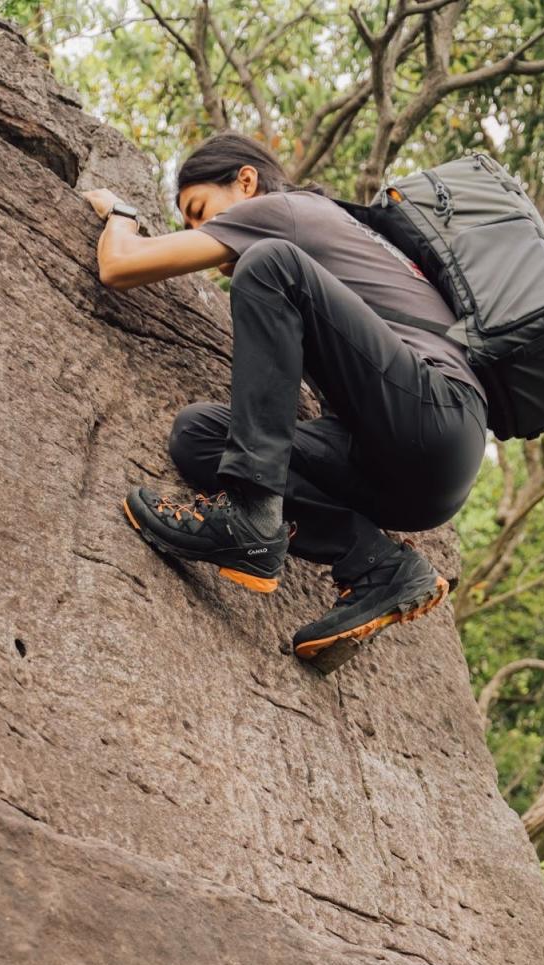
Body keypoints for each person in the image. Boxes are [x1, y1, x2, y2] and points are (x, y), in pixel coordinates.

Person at [83, 130, 488, 671]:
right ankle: (378, 565)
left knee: (269, 263)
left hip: (438, 414)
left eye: (199, 211)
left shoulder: (286, 210)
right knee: (201, 437)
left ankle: (252, 519)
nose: (199, 232)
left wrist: (121, 214)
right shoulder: (328, 225)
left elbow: (119, 266)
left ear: (246, 182)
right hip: (408, 478)